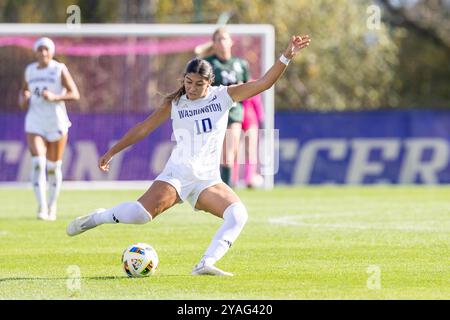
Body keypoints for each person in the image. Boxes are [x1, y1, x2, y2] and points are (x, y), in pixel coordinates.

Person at [66, 34, 311, 276]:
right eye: (188, 81)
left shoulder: (224, 96)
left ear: (210, 82)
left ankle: (205, 264)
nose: (191, 88)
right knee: (140, 216)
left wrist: (285, 57)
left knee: (238, 215)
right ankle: (99, 217)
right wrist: (112, 151)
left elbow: (264, 83)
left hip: (207, 179)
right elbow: (143, 128)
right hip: (178, 173)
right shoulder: (176, 103)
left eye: (198, 84)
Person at [19, 37, 80, 221]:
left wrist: (54, 97)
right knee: (38, 163)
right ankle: (42, 206)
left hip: (56, 121)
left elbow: (74, 94)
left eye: (47, 50)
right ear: (36, 52)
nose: (43, 53)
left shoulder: (59, 69)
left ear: (52, 52)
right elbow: (23, 93)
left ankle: (52, 205)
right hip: (35, 121)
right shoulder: (29, 70)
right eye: (40, 50)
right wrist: (23, 99)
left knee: (54, 167)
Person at [202, 27, 250, 187]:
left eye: (225, 38)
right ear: (214, 44)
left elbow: (246, 88)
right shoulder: (208, 63)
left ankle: (225, 189)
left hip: (234, 111)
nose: (222, 42)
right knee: (209, 154)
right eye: (219, 39)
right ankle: (207, 187)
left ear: (231, 42)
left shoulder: (241, 64)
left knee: (229, 153)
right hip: (213, 113)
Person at [232, 93, 265, 188]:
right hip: (236, 120)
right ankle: (233, 179)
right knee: (234, 151)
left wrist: (261, 121)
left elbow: (258, 106)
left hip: (250, 121)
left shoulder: (252, 86)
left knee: (250, 150)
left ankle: (249, 180)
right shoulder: (234, 86)